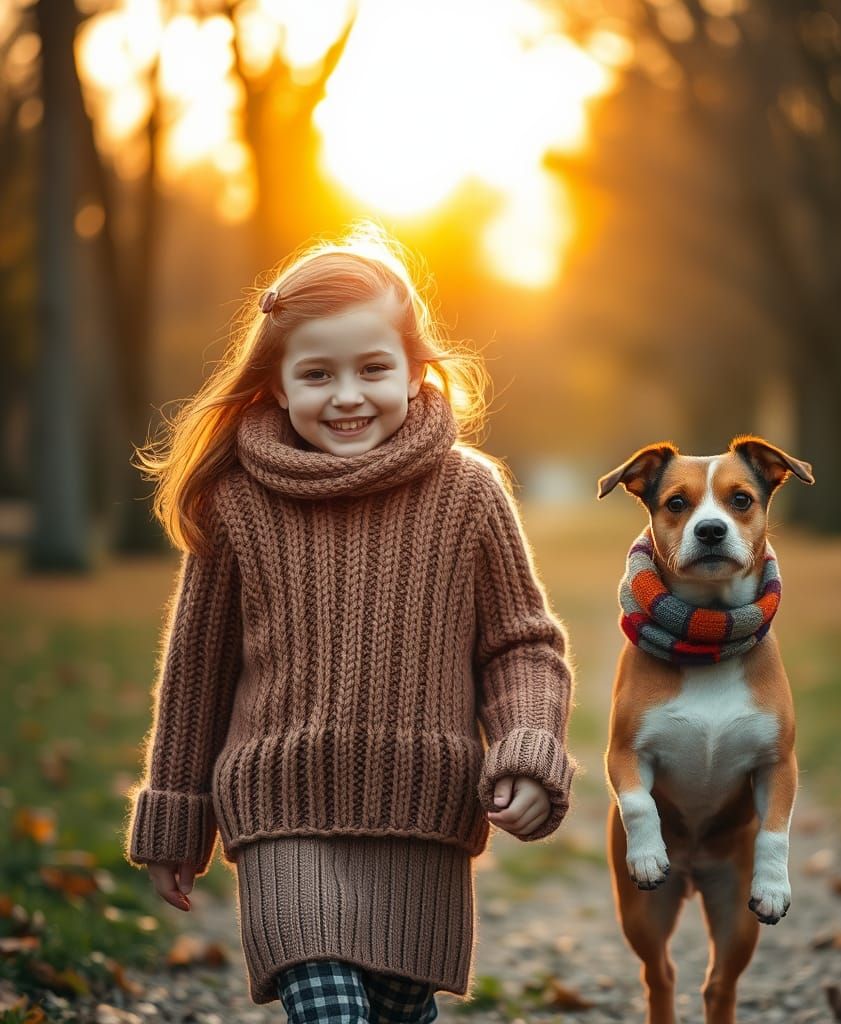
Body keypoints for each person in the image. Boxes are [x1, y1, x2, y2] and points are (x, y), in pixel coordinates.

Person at [123, 224, 576, 1023]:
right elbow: (198, 672)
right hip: (279, 812)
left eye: (373, 368)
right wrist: (176, 817)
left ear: (415, 369)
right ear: (275, 385)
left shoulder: (468, 493)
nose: (347, 395)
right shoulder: (237, 504)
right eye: (317, 374)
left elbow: (520, 645)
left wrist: (528, 749)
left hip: (422, 818)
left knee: (399, 1011)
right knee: (329, 1009)